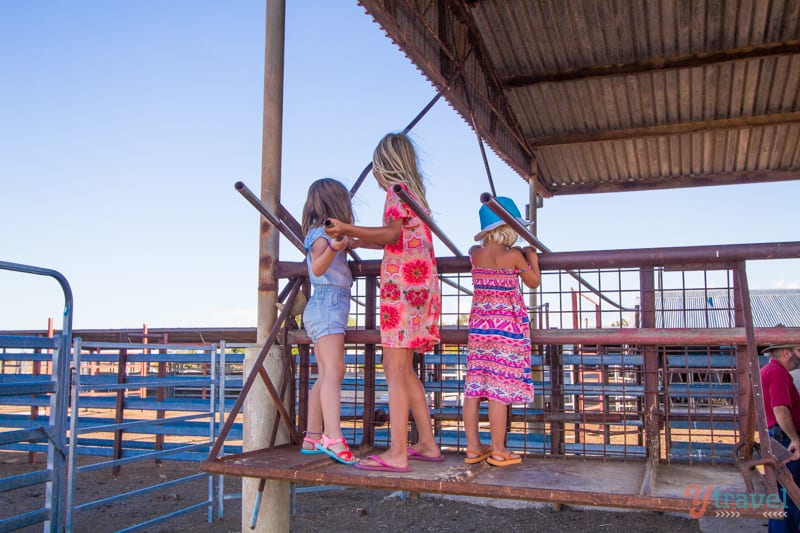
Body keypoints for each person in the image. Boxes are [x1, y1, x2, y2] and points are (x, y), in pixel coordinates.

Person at [324, 133, 442, 472]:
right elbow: (395, 239)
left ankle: (397, 452)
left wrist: (348, 226)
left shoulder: (395, 192)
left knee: (393, 370)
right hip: (420, 284)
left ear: (384, 165)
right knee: (405, 371)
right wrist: (353, 238)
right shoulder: (415, 196)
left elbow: (391, 235)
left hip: (401, 289)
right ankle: (427, 444)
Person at [462, 197, 540, 467]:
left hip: (479, 328)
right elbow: (533, 283)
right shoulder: (514, 256)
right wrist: (531, 257)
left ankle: (473, 447)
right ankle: (498, 449)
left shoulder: (475, 253)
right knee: (499, 389)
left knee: (473, 387)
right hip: (506, 330)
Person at [299, 178, 357, 465]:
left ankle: (312, 434)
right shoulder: (322, 236)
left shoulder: (322, 234)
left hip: (324, 306)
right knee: (335, 370)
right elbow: (318, 269)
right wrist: (335, 248)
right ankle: (333, 437)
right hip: (328, 304)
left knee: (324, 374)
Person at [762, 342, 800, 532]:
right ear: (787, 353)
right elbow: (780, 409)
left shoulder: (770, 371)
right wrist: (795, 438)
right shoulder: (777, 373)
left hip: (778, 437)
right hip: (784, 440)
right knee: (789, 494)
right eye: (798, 351)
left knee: (783, 494)